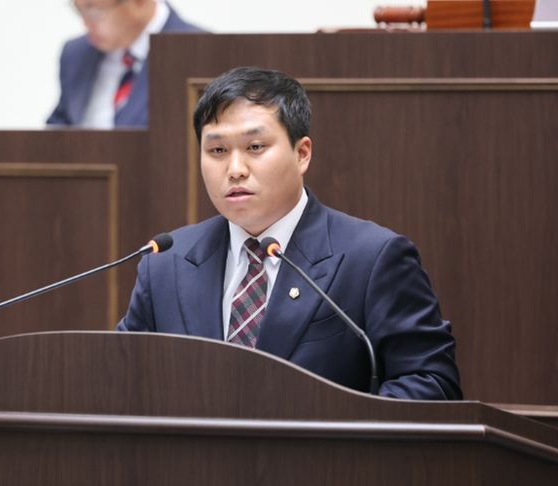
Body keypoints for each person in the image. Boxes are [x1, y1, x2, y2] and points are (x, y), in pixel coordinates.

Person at [117, 66, 462, 400]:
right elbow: (120, 381)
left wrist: (334, 426)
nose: (235, 170)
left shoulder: (372, 258)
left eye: (255, 147)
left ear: (302, 154)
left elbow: (432, 383)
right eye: (217, 151)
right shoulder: (165, 263)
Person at [47, 0, 203, 128]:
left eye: (95, 12)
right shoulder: (75, 53)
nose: (85, 24)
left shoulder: (199, 52)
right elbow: (61, 123)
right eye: (79, 10)